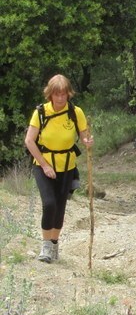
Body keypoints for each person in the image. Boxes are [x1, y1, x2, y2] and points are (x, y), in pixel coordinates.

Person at [24, 74, 94, 263]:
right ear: (50, 95)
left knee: (60, 207)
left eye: (64, 94)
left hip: (67, 165)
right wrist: (45, 165)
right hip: (43, 164)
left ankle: (54, 244)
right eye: (57, 94)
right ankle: (46, 246)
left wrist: (88, 141)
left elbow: (84, 135)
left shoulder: (75, 112)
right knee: (49, 204)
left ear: (68, 94)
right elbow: (29, 141)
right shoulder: (41, 113)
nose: (61, 98)